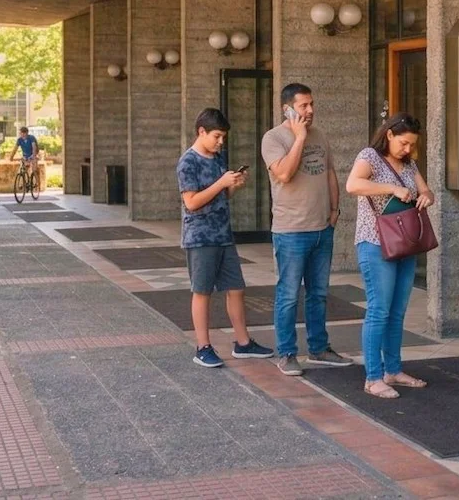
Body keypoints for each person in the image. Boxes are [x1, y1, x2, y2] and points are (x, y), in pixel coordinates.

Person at [262, 83, 352, 376]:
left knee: (319, 293)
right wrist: (299, 137)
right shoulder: (273, 138)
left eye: (312, 104)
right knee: (288, 294)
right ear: (286, 108)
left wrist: (335, 212)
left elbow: (329, 173)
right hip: (291, 230)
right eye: (303, 106)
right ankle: (286, 353)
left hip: (322, 228)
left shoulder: (321, 135)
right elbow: (285, 174)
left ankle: (319, 348)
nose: (310, 111)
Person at [346, 112, 435, 399]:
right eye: (404, 143)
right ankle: (373, 377)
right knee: (379, 310)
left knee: (397, 312)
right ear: (390, 135)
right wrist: (392, 187)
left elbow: (426, 191)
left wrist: (426, 197)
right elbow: (353, 185)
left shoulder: (410, 164)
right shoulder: (370, 156)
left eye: (412, 144)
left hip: (405, 244)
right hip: (375, 242)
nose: (408, 149)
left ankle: (393, 370)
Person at [176, 108, 274, 368]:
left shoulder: (219, 157)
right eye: (217, 136)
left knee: (237, 288)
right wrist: (221, 183)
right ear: (201, 132)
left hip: (223, 235)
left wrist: (232, 187)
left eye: (223, 138)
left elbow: (220, 196)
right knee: (202, 291)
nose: (221, 142)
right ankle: (203, 347)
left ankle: (243, 343)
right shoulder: (188, 162)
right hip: (200, 237)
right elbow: (192, 202)